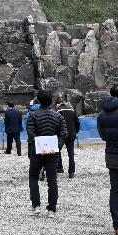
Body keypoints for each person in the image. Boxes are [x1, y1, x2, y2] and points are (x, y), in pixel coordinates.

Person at [26, 90, 68, 218]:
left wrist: (38, 144)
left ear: (38, 100)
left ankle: (36, 205)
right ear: (51, 101)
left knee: (33, 178)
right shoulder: (58, 116)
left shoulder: (33, 115)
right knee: (52, 180)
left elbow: (30, 132)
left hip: (37, 152)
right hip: (52, 152)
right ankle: (52, 209)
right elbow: (64, 133)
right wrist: (57, 146)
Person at [97, 85, 118, 235]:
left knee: (115, 190)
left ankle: (117, 226)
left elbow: (103, 135)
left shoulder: (101, 114)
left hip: (112, 155)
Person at [55, 98, 80, 178]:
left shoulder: (58, 111)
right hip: (71, 134)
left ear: (57, 104)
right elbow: (77, 122)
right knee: (71, 154)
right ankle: (71, 172)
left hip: (61, 135)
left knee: (57, 151)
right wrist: (76, 131)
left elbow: (56, 123)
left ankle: (60, 168)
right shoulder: (72, 110)